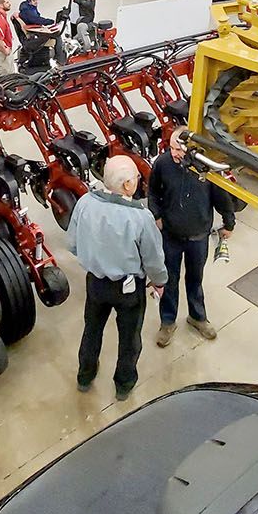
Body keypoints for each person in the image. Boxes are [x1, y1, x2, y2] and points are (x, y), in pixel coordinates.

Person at [66, 155, 167, 401]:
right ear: (127, 186)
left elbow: (72, 243)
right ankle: (123, 384)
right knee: (130, 338)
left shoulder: (85, 203)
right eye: (135, 178)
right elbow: (153, 258)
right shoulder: (140, 218)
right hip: (128, 290)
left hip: (96, 284)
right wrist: (159, 281)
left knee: (92, 330)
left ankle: (85, 376)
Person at [147, 128, 235, 348]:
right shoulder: (163, 164)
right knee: (170, 279)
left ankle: (197, 317)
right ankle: (168, 322)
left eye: (179, 149)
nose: (174, 153)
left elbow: (222, 196)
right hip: (171, 235)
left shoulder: (206, 168)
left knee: (195, 279)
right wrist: (156, 215)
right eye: (172, 148)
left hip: (199, 236)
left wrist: (229, 223)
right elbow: (152, 192)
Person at [12, 0, 57, 75]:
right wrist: (50, 21)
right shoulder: (27, 11)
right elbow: (35, 19)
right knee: (53, 36)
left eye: (37, 0)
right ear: (29, 1)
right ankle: (58, 58)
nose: (36, 2)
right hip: (31, 32)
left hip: (34, 29)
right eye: (34, 0)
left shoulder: (30, 7)